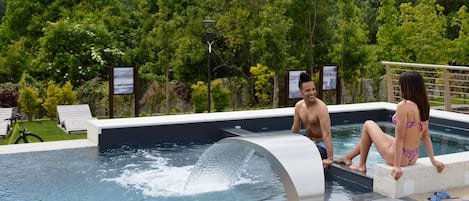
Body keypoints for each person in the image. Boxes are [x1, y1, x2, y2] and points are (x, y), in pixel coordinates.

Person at [334, 71, 445, 180]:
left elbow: (400, 138)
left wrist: (396, 166)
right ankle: (348, 157)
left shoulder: (403, 106)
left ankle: (361, 164)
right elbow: (425, 136)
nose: (399, 88)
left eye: (400, 85)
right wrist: (433, 160)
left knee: (368, 124)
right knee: (381, 135)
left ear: (406, 87)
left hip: (399, 157)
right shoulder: (424, 106)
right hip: (413, 156)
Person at [291, 72, 334, 168]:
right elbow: (295, 129)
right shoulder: (299, 106)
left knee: (304, 156)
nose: (312, 93)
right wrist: (289, 146)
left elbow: (326, 133)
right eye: (308, 90)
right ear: (301, 92)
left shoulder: (321, 108)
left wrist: (330, 158)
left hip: (321, 146)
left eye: (313, 89)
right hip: (309, 143)